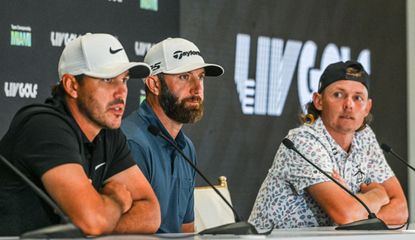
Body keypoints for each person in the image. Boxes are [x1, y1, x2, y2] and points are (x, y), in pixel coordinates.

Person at [0, 33, 161, 236]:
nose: (121, 92)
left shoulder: (108, 133)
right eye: (107, 79)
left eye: (124, 80)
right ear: (72, 85)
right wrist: (117, 200)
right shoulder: (44, 126)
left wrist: (101, 216)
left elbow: (151, 213)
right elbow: (93, 221)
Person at [248, 60, 408, 229]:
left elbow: (401, 211)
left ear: (367, 107)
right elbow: (346, 215)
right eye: (338, 95)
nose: (349, 105)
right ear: (319, 101)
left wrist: (357, 210)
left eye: (358, 98)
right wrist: (379, 194)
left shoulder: (364, 138)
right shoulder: (303, 140)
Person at [121, 37, 224, 233]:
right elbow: (127, 235)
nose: (197, 88)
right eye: (184, 77)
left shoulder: (187, 147)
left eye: (200, 77)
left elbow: (186, 229)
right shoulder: (131, 142)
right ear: (154, 84)